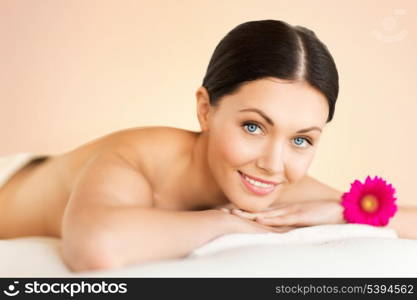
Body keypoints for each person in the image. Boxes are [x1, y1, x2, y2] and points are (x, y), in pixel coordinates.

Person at [0, 19, 415, 273]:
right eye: (254, 127)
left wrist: (342, 209)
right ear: (205, 109)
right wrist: (224, 222)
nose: (273, 162)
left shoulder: (276, 180)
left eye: (301, 139)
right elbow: (97, 249)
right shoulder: (136, 159)